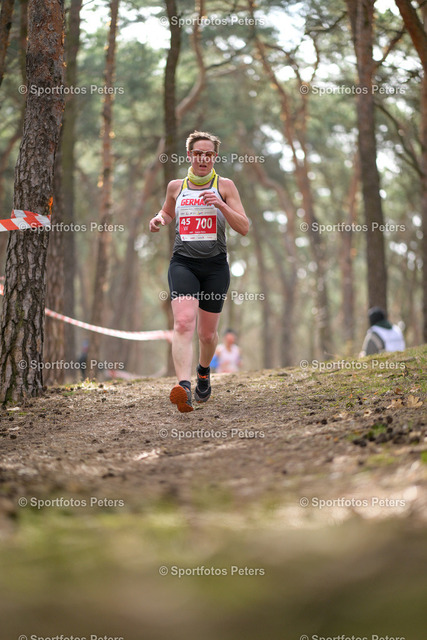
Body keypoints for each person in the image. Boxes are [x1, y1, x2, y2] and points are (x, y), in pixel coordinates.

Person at [149, 131, 249, 412]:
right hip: (183, 263)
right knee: (183, 323)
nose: (203, 159)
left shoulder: (225, 186)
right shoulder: (176, 186)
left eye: (209, 154)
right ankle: (183, 386)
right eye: (198, 153)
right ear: (189, 155)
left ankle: (203, 371)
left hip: (215, 266)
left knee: (207, 334)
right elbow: (167, 212)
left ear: (215, 157)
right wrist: (159, 219)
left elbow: (244, 227)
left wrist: (221, 205)